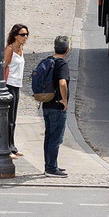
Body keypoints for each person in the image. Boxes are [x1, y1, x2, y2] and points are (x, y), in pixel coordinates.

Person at [41, 35, 71, 178]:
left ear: (54, 47)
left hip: (46, 103)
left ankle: (49, 164)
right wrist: (64, 100)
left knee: (48, 136)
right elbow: (62, 83)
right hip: (58, 105)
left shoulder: (47, 61)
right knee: (56, 138)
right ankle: (52, 168)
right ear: (67, 49)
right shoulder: (62, 64)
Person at [3, 24, 30, 157]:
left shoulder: (21, 48)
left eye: (26, 35)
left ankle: (12, 146)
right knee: (9, 117)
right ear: (15, 36)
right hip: (9, 84)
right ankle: (7, 147)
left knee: (13, 117)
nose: (25, 37)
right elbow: (4, 66)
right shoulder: (10, 49)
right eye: (22, 35)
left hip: (17, 85)